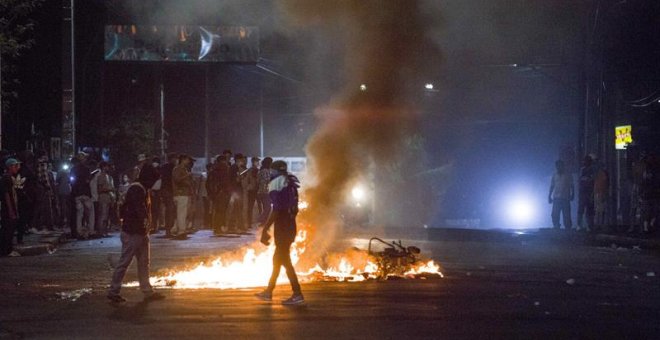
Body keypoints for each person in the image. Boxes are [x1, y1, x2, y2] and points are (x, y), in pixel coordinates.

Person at [107, 178, 165, 303]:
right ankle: (113, 291)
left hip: (140, 232)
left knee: (144, 262)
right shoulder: (137, 189)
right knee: (125, 262)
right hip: (133, 232)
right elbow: (139, 209)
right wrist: (144, 221)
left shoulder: (141, 189)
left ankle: (147, 291)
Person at [255, 160, 304, 305]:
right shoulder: (290, 183)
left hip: (282, 227)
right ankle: (269, 291)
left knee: (285, 261)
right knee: (278, 260)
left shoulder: (277, 183)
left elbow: (276, 209)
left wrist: (265, 228)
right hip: (289, 225)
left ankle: (297, 294)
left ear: (274, 170)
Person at [0, 158, 22, 257]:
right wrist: (11, 210)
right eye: (15, 166)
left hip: (11, 207)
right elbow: (6, 195)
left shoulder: (10, 177)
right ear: (10, 167)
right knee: (8, 230)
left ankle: (8, 249)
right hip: (8, 208)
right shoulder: (6, 178)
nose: (17, 168)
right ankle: (7, 250)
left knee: (10, 229)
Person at [71, 152, 94, 239]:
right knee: (90, 213)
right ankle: (90, 231)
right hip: (86, 193)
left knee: (79, 214)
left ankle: (79, 232)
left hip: (77, 194)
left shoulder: (73, 169)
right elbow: (88, 181)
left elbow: (72, 181)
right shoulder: (86, 169)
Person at [171, 154, 194, 236]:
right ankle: (181, 230)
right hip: (180, 193)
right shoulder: (178, 169)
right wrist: (187, 175)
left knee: (183, 212)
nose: (188, 161)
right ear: (183, 160)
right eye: (187, 160)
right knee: (182, 212)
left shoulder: (184, 169)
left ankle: (175, 228)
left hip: (184, 193)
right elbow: (177, 179)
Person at [548, 160, 573, 231]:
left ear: (563, 166)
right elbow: (552, 186)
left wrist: (572, 194)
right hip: (556, 197)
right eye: (557, 166)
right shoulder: (554, 175)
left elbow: (572, 185)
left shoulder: (568, 174)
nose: (559, 167)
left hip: (565, 197)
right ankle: (556, 226)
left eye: (560, 166)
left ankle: (568, 228)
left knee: (566, 214)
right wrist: (549, 195)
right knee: (555, 214)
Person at [95, 161, 115, 237]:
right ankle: (101, 232)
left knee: (106, 216)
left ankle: (105, 231)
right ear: (103, 167)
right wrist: (108, 189)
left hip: (109, 198)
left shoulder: (109, 177)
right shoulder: (101, 176)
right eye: (107, 166)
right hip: (103, 198)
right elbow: (99, 189)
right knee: (103, 215)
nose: (108, 168)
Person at [160, 153, 178, 237]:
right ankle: (169, 231)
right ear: (171, 159)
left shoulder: (163, 167)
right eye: (175, 158)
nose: (176, 160)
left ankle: (169, 230)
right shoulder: (173, 168)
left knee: (169, 210)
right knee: (170, 210)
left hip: (165, 190)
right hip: (169, 190)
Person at [576, 156, 595, 232]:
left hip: (589, 192)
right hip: (583, 193)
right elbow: (580, 180)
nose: (585, 162)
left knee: (589, 210)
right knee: (581, 210)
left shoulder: (592, 170)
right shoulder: (582, 170)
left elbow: (592, 180)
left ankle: (589, 226)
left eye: (587, 161)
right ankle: (579, 225)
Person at [242, 157, 260, 230]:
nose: (258, 163)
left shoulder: (253, 170)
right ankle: (249, 223)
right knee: (251, 207)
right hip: (253, 190)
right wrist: (248, 187)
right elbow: (246, 180)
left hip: (255, 190)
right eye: (257, 161)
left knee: (253, 207)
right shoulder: (250, 170)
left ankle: (251, 223)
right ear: (253, 162)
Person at [257, 157, 273, 223]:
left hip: (262, 191)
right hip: (264, 192)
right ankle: (260, 220)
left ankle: (263, 223)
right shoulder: (265, 171)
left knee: (266, 208)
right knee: (267, 208)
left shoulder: (262, 170)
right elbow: (267, 180)